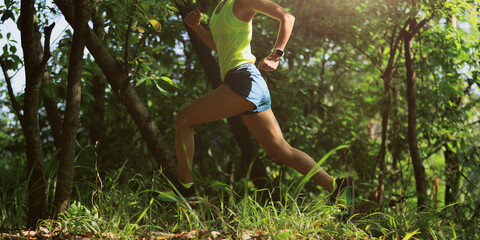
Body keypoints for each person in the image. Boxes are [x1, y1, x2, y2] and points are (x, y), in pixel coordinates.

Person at [158, 0, 353, 215]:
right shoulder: (219, 9)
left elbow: (287, 17)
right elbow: (218, 46)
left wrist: (276, 55)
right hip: (248, 83)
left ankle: (185, 190)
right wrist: (196, 27)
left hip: (243, 79)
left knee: (184, 119)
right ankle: (337, 187)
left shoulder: (243, 1)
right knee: (280, 150)